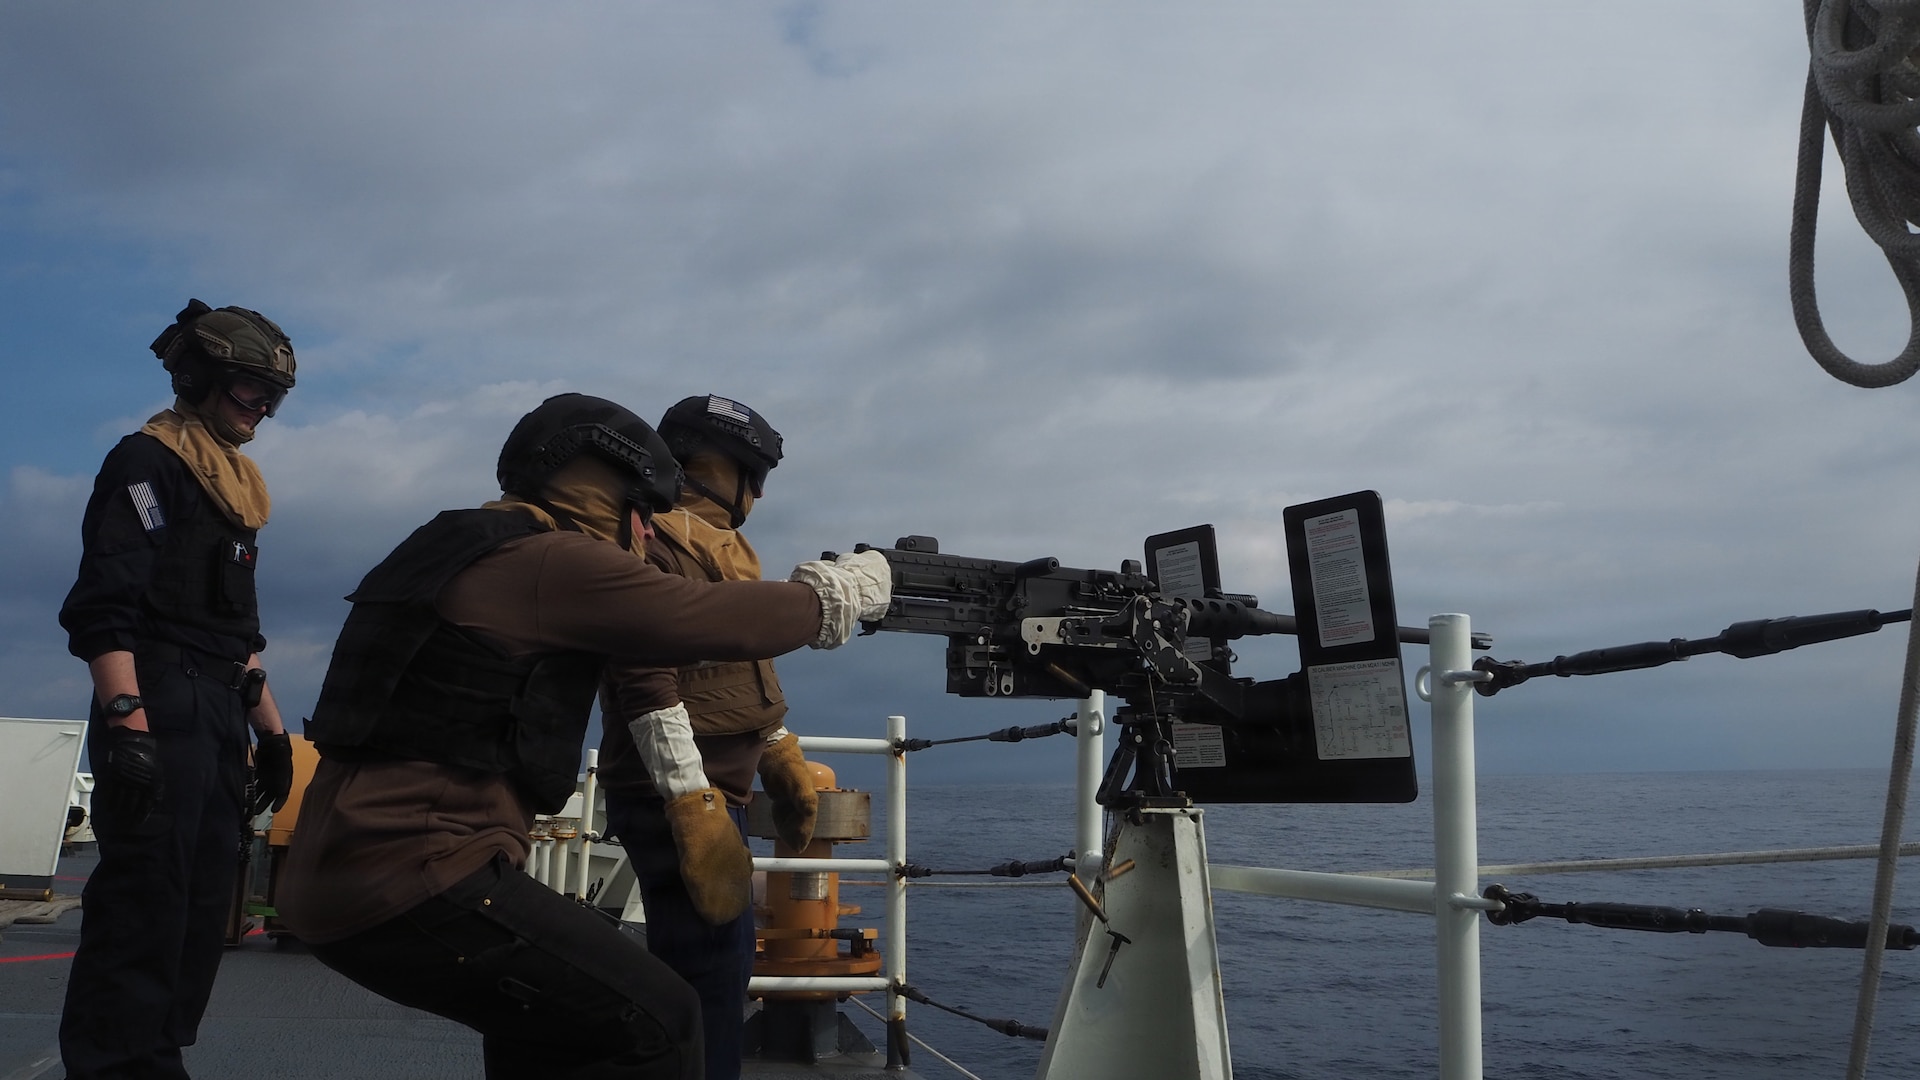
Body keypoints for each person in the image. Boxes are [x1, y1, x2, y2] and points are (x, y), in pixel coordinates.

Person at [276, 393, 891, 1080]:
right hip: (420, 879)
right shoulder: (551, 560)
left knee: (547, 1026)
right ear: (602, 494)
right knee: (666, 1021)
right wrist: (840, 591)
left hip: (333, 874)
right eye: (642, 513)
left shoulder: (457, 542)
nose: (649, 536)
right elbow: (702, 618)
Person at [57, 299, 300, 1079]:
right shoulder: (147, 463)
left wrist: (271, 732)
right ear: (197, 378)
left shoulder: (234, 485)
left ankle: (157, 1057)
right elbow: (107, 608)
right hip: (159, 698)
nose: (262, 408)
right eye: (250, 389)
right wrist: (128, 725)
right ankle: (114, 1065)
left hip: (219, 707)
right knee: (146, 897)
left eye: (272, 396)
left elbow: (238, 629)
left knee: (200, 901)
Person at [594, 394, 815, 1080]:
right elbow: (645, 679)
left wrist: (776, 747)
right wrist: (692, 803)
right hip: (678, 799)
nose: (759, 493)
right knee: (707, 981)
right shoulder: (652, 543)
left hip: (714, 794)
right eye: (754, 474)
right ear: (713, 465)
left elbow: (735, 666)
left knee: (714, 971)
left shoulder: (719, 550)